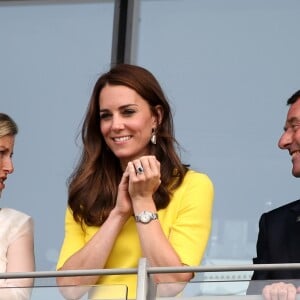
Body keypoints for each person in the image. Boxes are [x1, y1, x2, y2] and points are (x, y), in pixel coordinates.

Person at [56, 63, 214, 299]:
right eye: (106, 116)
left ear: (156, 117)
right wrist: (119, 214)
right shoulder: (85, 191)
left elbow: (170, 284)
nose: (116, 125)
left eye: (128, 112)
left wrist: (142, 200)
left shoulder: (193, 186)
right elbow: (70, 289)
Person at [247, 90, 300, 299]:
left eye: (294, 127)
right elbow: (253, 295)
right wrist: (268, 293)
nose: (283, 141)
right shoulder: (275, 226)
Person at [0, 113, 35, 300]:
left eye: (10, 155)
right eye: (0, 153)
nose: (10, 167)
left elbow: (17, 295)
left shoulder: (16, 223)